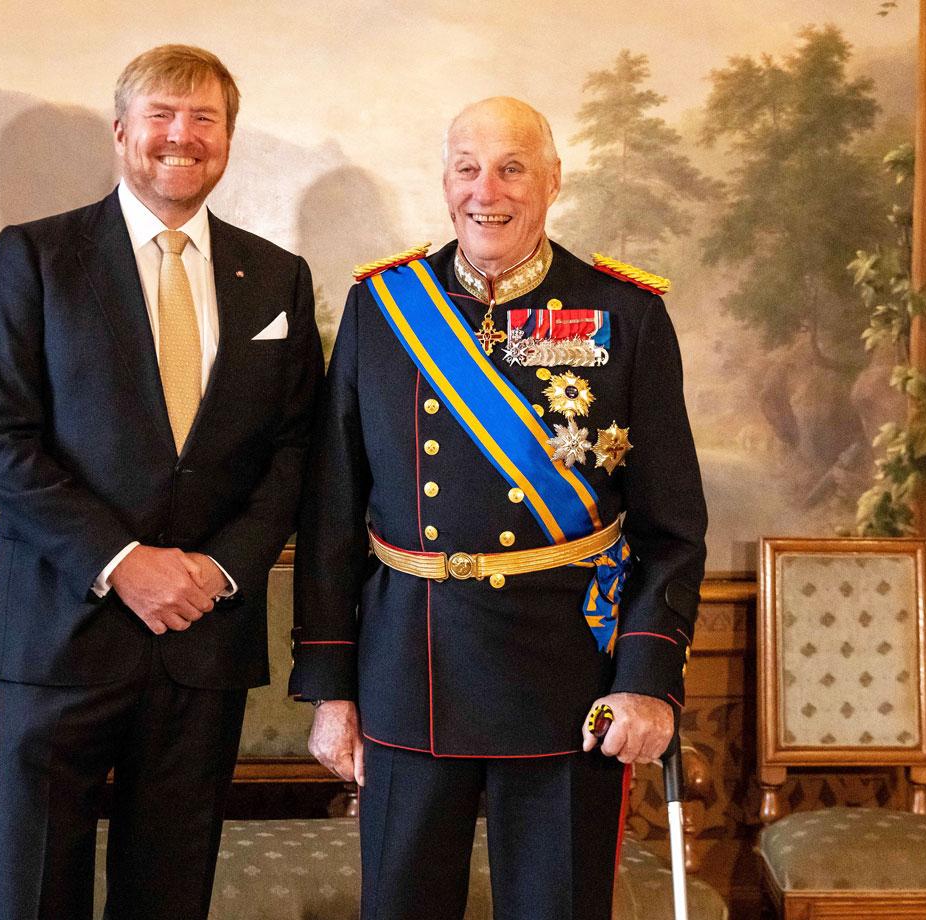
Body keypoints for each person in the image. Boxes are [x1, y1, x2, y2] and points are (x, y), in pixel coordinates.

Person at [290, 96, 707, 920]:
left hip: (566, 679)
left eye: (513, 168)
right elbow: (332, 513)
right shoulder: (382, 309)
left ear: (552, 182)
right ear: (446, 181)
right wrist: (331, 687)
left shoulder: (628, 316)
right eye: (469, 168)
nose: (489, 191)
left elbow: (671, 529)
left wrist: (649, 680)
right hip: (412, 670)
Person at [0, 44, 322, 920]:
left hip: (204, 634)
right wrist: (125, 561)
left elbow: (296, 453)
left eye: (204, 119)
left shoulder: (277, 277)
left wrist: (220, 569)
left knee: (170, 889)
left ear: (229, 141)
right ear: (121, 131)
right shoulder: (38, 257)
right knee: (34, 888)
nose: (181, 135)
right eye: (162, 114)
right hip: (61, 629)